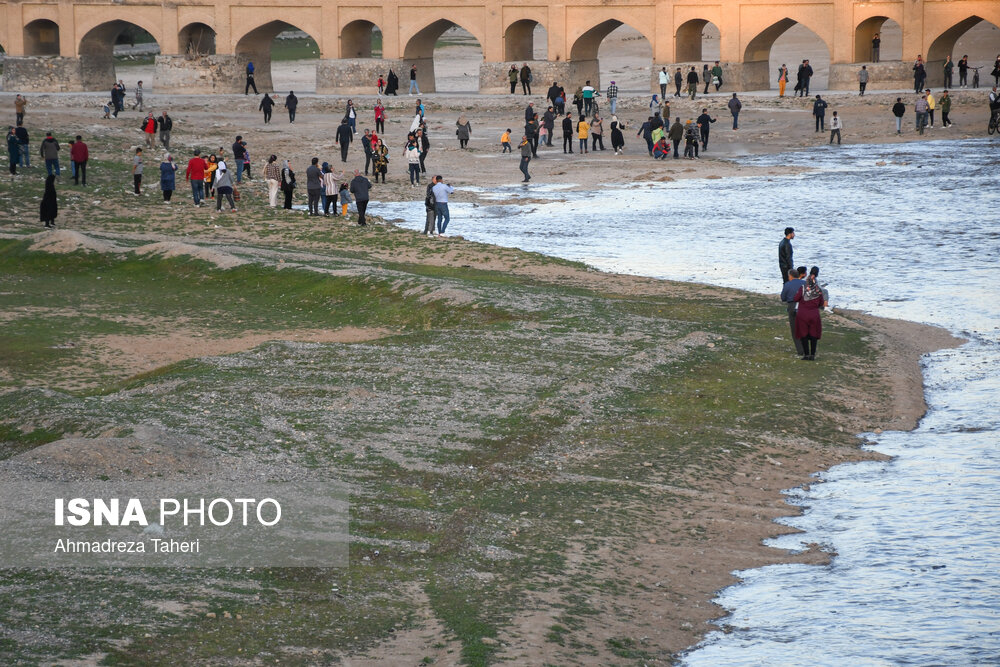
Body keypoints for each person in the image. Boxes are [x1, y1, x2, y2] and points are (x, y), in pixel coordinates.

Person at [794, 267, 826, 360]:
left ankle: (806, 354)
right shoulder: (818, 290)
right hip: (814, 314)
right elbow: (821, 303)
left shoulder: (803, 288)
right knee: (813, 334)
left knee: (803, 334)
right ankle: (812, 354)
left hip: (803, 314)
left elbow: (796, 298)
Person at [780, 267, 807, 355]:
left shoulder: (788, 284)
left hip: (792, 305)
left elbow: (783, 297)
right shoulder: (805, 283)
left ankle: (800, 350)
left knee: (795, 329)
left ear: (790, 276)